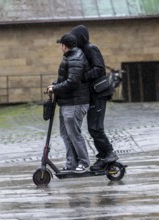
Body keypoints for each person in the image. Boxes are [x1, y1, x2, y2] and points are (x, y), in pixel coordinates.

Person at [70, 25, 118, 171]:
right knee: (93, 128)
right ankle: (103, 156)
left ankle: (109, 153)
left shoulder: (91, 49)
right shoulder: (82, 52)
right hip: (92, 94)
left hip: (99, 94)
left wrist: (82, 77)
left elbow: (99, 68)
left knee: (95, 127)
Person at [47, 33, 91, 173]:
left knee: (74, 134)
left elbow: (73, 81)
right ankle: (71, 162)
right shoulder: (70, 57)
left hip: (76, 102)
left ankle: (84, 162)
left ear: (64, 46)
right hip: (67, 102)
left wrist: (55, 88)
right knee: (65, 134)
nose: (60, 47)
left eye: (61, 45)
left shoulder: (76, 58)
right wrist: (54, 85)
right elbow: (66, 78)